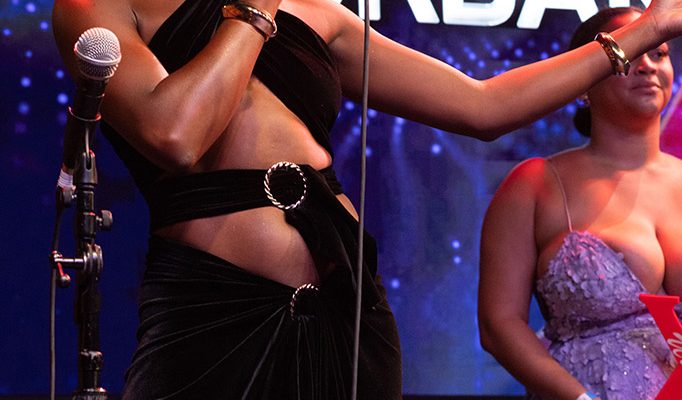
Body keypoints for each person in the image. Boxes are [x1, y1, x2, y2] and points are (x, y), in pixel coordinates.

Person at [51, 0, 682, 398]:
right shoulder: (98, 7)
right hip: (212, 307)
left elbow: (483, 106)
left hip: (346, 307)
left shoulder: (318, 13)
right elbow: (174, 134)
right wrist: (252, 13)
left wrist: (648, 28)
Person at [478, 6, 682, 400]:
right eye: (630, 53)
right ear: (584, 82)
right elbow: (498, 324)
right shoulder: (535, 185)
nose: (647, 66)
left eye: (659, 53)